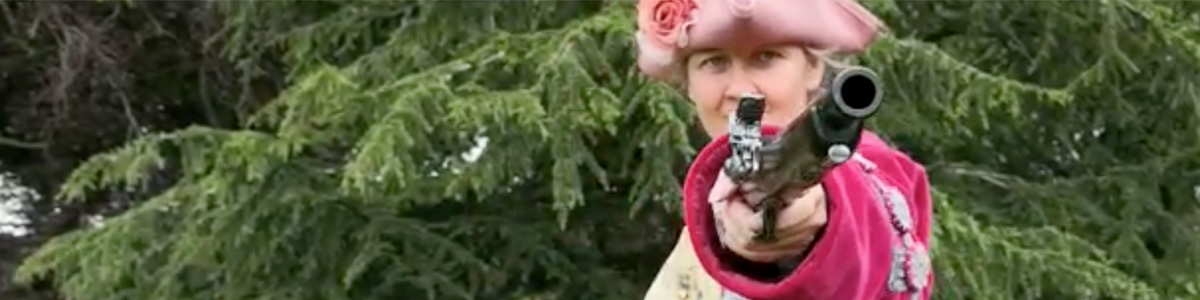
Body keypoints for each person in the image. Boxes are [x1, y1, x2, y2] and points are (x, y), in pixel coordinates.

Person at [635, 0, 935, 299]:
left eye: (766, 57)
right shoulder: (699, 228)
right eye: (714, 62)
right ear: (688, 83)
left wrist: (817, 220)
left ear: (813, 67)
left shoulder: (875, 169)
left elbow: (862, 222)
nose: (740, 89)